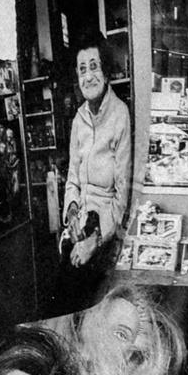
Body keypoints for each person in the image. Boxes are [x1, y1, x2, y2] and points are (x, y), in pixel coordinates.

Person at [60, 39, 133, 274]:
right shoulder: (78, 120)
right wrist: (71, 212)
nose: (88, 76)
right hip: (81, 220)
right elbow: (72, 179)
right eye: (82, 69)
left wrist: (94, 241)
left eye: (94, 66)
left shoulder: (120, 115)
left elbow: (122, 196)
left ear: (106, 72)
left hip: (105, 229)